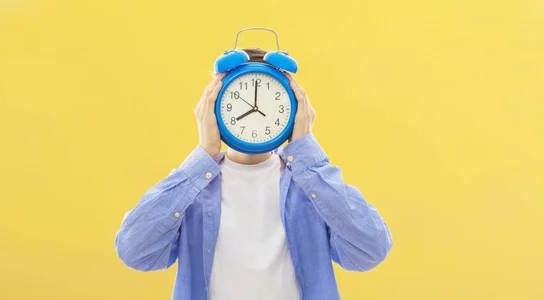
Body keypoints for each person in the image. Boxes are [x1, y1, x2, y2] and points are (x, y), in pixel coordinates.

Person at [115, 48, 393, 300]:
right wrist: (202, 157)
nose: (258, 112)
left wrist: (308, 156)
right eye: (239, 101)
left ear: (295, 109)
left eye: (272, 105)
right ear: (213, 107)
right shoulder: (193, 191)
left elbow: (371, 250)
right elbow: (134, 250)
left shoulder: (310, 187)